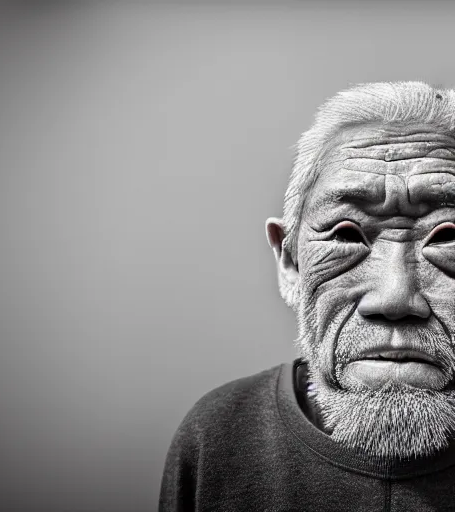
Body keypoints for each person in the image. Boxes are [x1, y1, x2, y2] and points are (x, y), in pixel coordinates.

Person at [159, 82, 455, 511]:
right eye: (346, 234)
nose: (395, 297)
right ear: (290, 261)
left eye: (447, 238)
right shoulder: (219, 438)